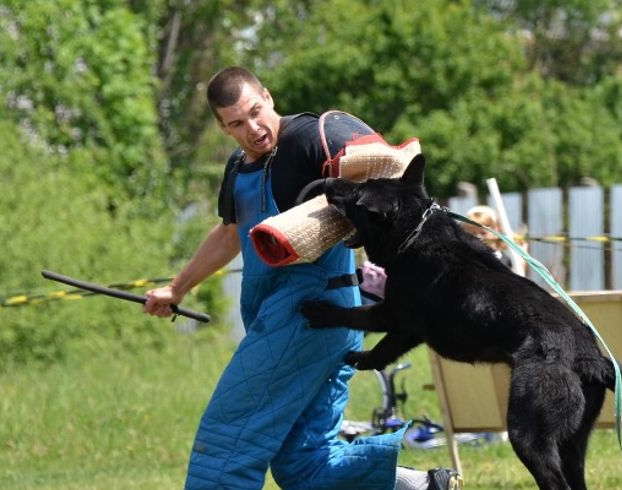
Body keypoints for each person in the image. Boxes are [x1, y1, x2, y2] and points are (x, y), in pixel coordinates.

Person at [144, 67, 462, 489]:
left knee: (228, 438)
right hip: (308, 320)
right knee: (304, 462)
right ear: (223, 127)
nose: (253, 128)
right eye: (237, 123)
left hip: (305, 313)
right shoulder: (238, 167)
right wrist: (177, 287)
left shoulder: (310, 137)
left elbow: (383, 167)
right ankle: (422, 488)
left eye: (256, 112)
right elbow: (228, 234)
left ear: (268, 97)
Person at [460, 205, 527, 276]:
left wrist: (521, 262)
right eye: (473, 233)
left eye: (483, 233)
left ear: (497, 231)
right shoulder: (467, 259)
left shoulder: (505, 260)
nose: (478, 237)